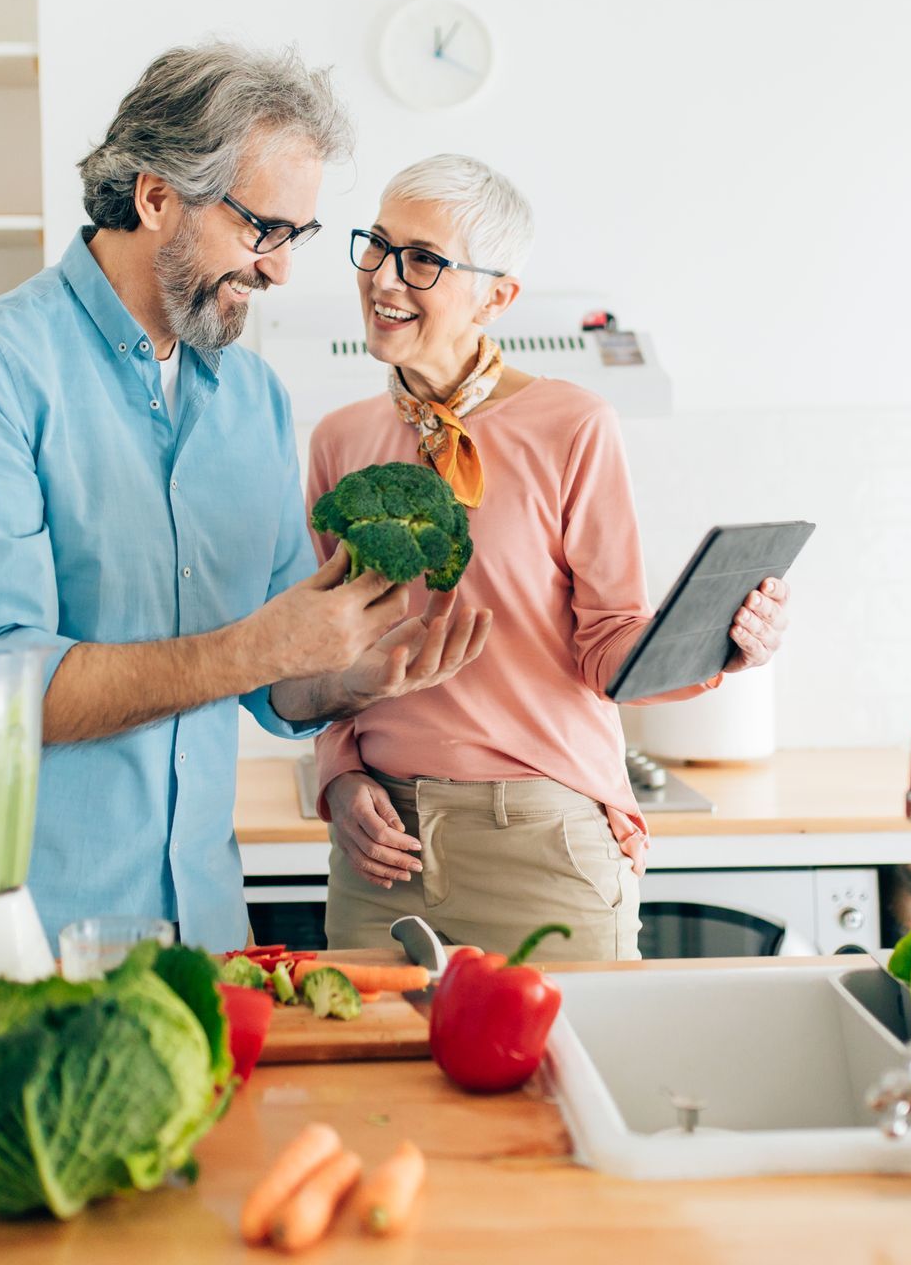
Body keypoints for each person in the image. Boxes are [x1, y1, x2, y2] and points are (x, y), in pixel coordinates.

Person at [0, 46, 491, 952]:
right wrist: (258, 647)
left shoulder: (251, 399)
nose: (280, 272)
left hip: (205, 933)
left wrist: (353, 675)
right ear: (157, 197)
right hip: (23, 936)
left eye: (298, 238)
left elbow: (275, 676)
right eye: (262, 231)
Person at [308, 155, 790, 963]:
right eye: (378, 246)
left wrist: (724, 643)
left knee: (572, 1085)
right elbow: (327, 658)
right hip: (382, 857)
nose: (385, 278)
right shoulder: (340, 441)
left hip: (539, 845)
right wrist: (338, 777)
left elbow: (607, 650)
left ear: (497, 296)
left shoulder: (573, 426)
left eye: (423, 259)